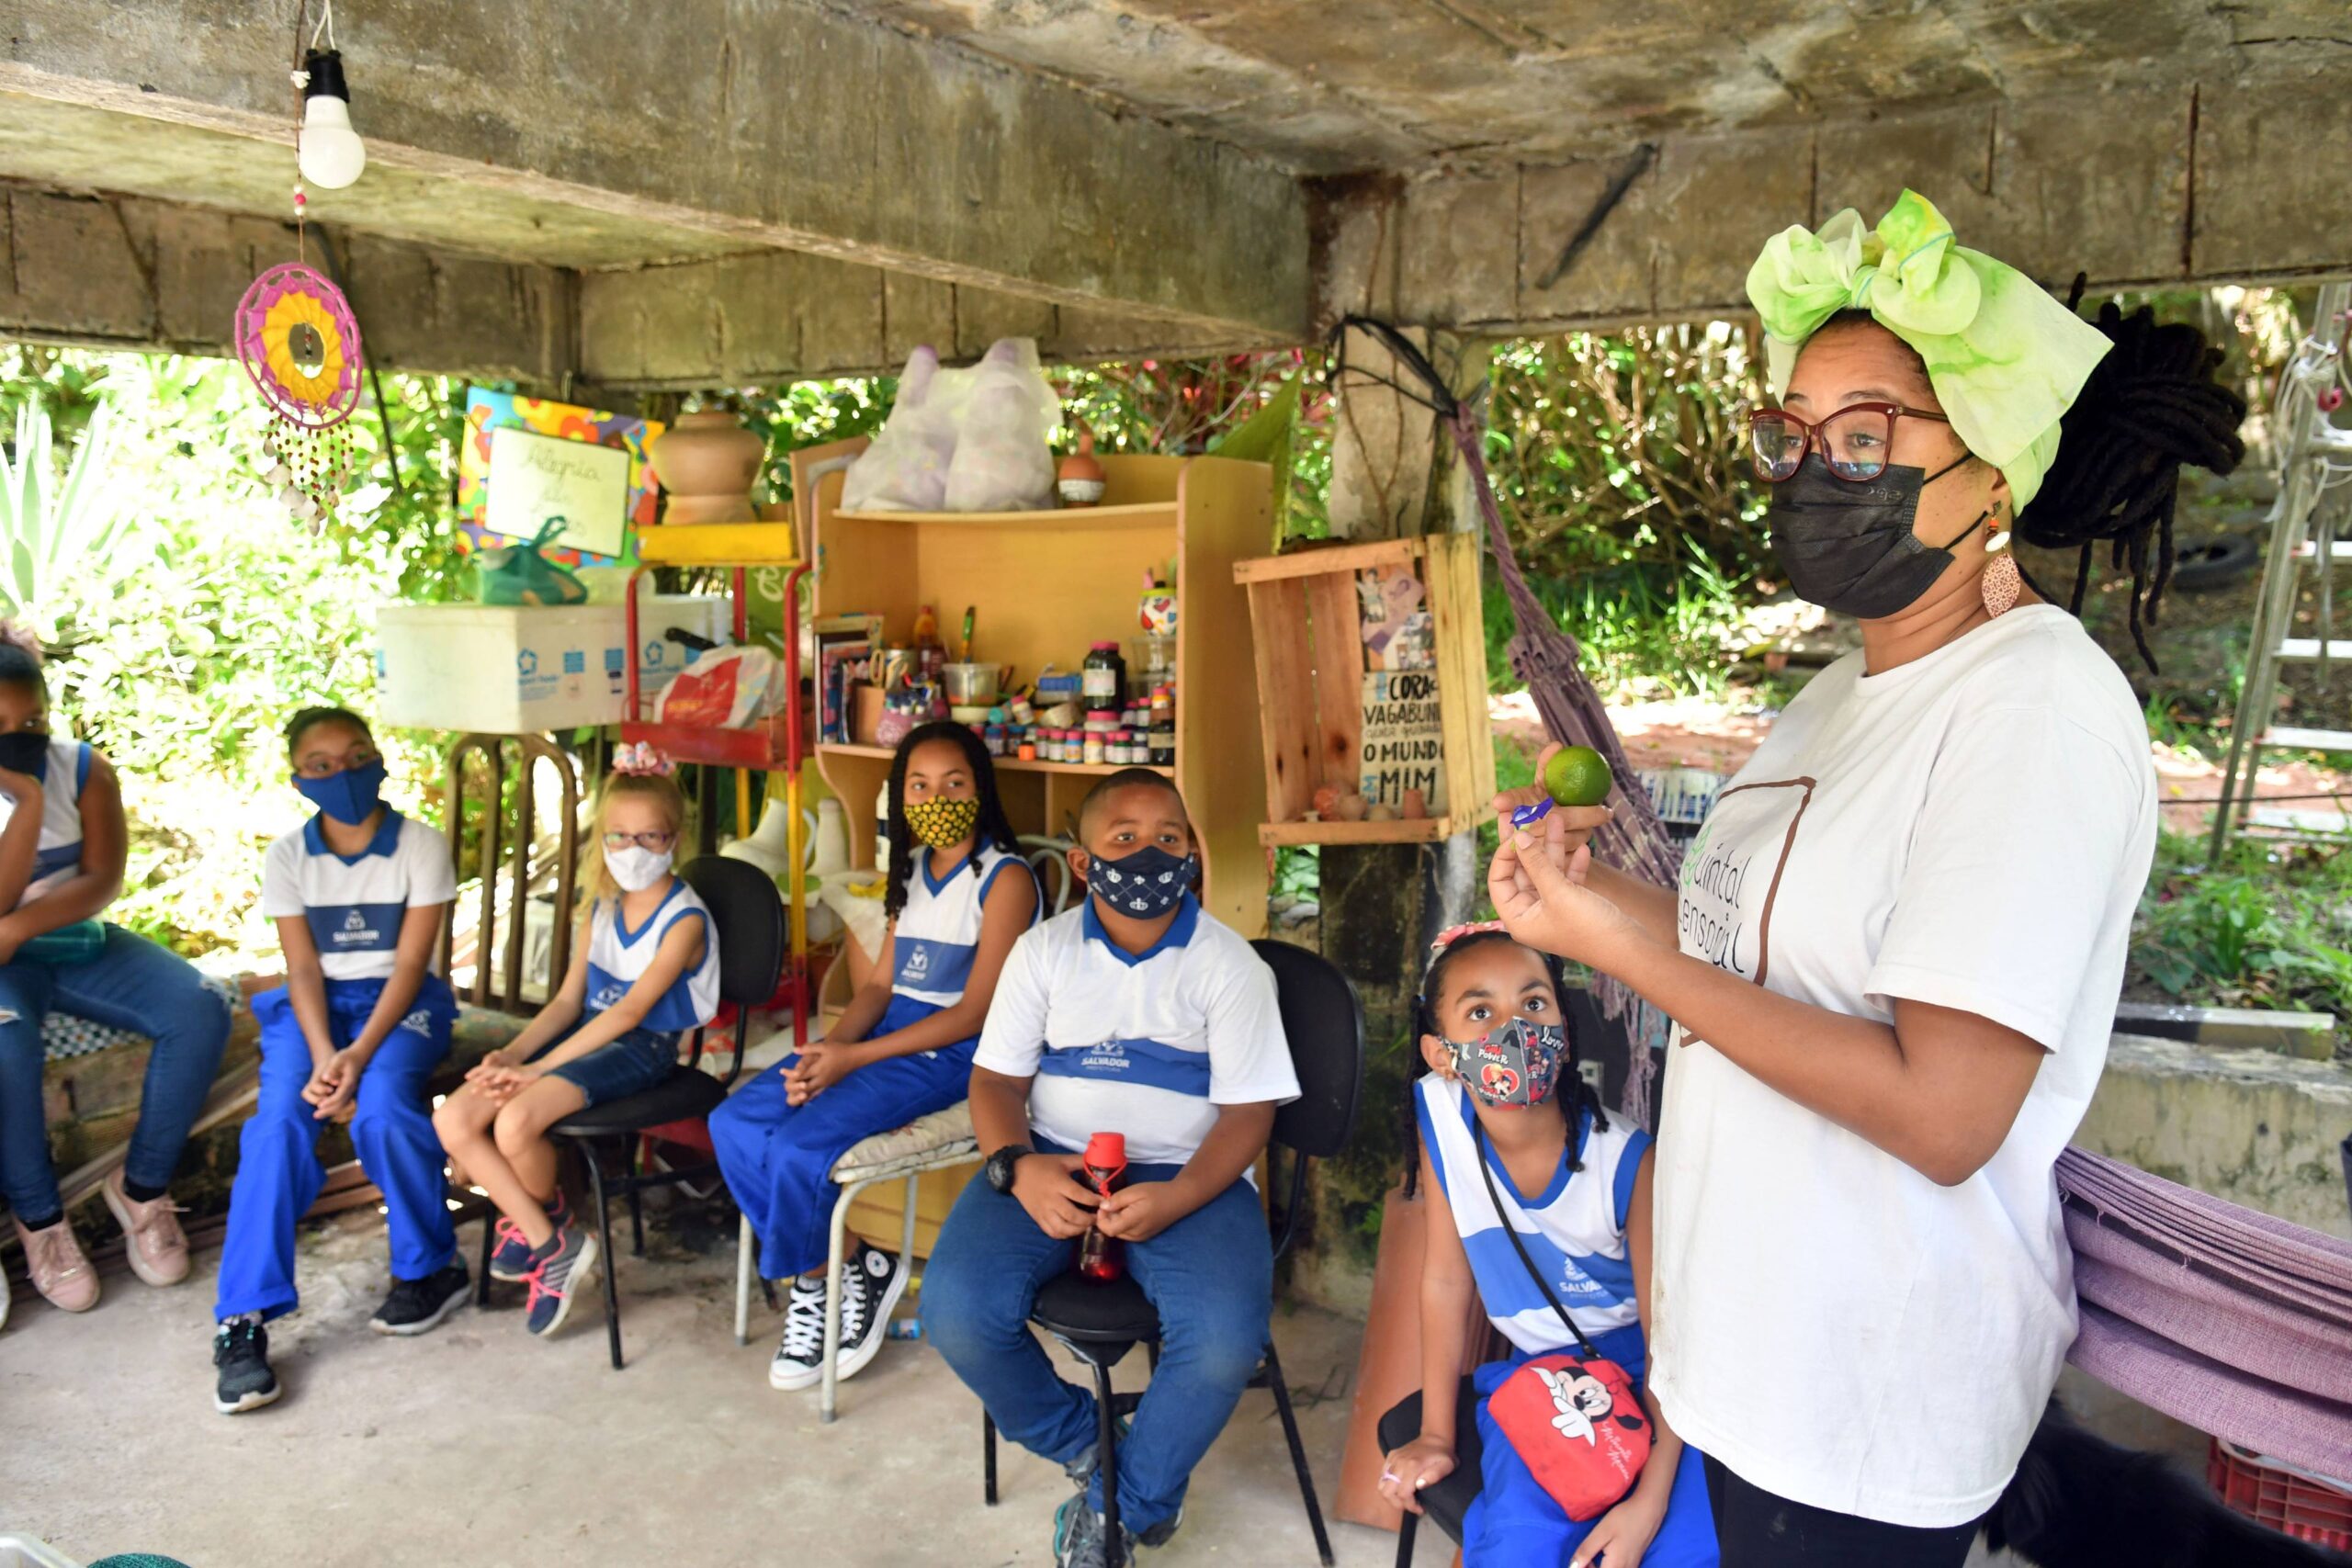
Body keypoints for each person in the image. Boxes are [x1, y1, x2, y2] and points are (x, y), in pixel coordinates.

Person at [1488, 189, 2243, 1565]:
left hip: (1869, 1391)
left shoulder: (2034, 707)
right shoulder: (1842, 690)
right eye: (1793, 434)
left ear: (1994, 468)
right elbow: (1749, 965)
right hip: (1745, 1361)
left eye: (1868, 434)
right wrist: (1593, 915)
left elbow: (1946, 1110)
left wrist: (1646, 959)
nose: (1814, 469)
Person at [921, 769, 1300, 1568]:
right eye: (1123, 839)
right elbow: (994, 1083)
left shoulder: (1230, 968)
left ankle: (1122, 1506)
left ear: (1192, 855)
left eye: (1169, 838)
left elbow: (1248, 1116)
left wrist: (1179, 1195)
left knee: (1226, 1338)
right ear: (1085, 862)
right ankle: (1096, 1448)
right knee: (955, 1310)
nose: (1150, 854)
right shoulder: (1043, 953)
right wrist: (1018, 1168)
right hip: (1050, 1159)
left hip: (1190, 1176)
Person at [710, 721, 1038, 1392]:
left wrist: (855, 1060)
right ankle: (850, 1262)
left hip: (952, 1050)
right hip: (886, 1032)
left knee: (802, 1147)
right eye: (919, 785)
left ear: (981, 789)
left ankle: (817, 1286)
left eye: (954, 783)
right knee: (736, 1123)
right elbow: (880, 986)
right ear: (901, 796)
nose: (936, 796)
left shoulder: (1005, 879)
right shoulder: (913, 870)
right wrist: (833, 1046)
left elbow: (974, 1013)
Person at [1380, 924, 1716, 1568]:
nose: (1513, 1027)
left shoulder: (1628, 1161)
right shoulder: (1444, 1119)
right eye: (1481, 1011)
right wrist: (1436, 1434)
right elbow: (1447, 1281)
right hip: (1547, 1380)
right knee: (1521, 1546)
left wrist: (1645, 1506)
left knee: (1678, 1548)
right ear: (1441, 1052)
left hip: (1656, 1382)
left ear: (1562, 1031)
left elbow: (1672, 1351)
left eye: (1533, 1003)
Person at [209, 707, 464, 1414]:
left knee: (383, 1109)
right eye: (320, 764)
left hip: (399, 1003)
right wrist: (326, 1054)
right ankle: (242, 1319)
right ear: (298, 777)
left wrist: (357, 1054)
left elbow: (411, 962)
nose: (342, 774)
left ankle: (431, 1267)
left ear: (379, 758)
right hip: (315, 1010)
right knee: (276, 1127)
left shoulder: (419, 844)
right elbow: (301, 968)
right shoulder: (289, 856)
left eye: (356, 756)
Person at [432, 750, 717, 1339]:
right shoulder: (602, 907)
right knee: (457, 1117)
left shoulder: (684, 918)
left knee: (514, 1122)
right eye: (618, 836)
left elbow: (634, 1011)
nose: (632, 851)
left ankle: (542, 1230)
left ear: (675, 837)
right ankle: (550, 1237)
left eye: (649, 836)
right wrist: (516, 1056)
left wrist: (539, 1073)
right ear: (602, 838)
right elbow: (565, 1003)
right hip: (584, 1032)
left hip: (644, 1046)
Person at [0, 624, 231, 1316]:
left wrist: (18, 926)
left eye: (32, 719)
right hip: (6, 968)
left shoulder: (83, 768)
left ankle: (142, 1190)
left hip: (71, 942)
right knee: (5, 1045)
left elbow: (101, 878)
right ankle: (41, 1222)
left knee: (200, 1005)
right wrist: (23, 807)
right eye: (1, 723)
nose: (22, 733)